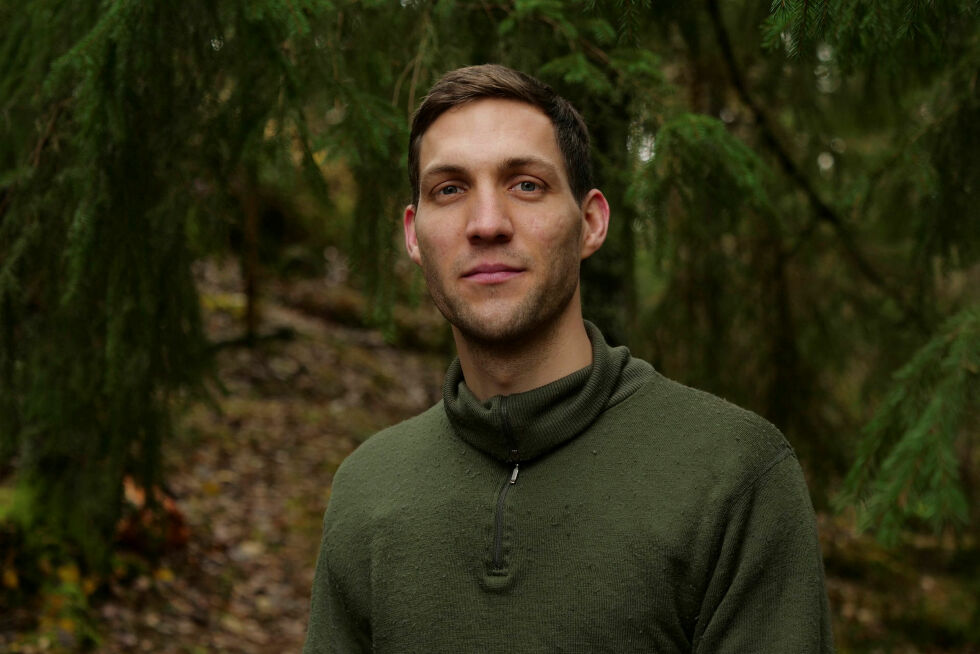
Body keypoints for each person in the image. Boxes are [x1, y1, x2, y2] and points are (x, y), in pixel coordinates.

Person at [304, 64, 833, 653]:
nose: (486, 224)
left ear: (590, 223)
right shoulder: (368, 487)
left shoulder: (734, 476)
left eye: (526, 184)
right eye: (449, 190)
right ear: (413, 235)